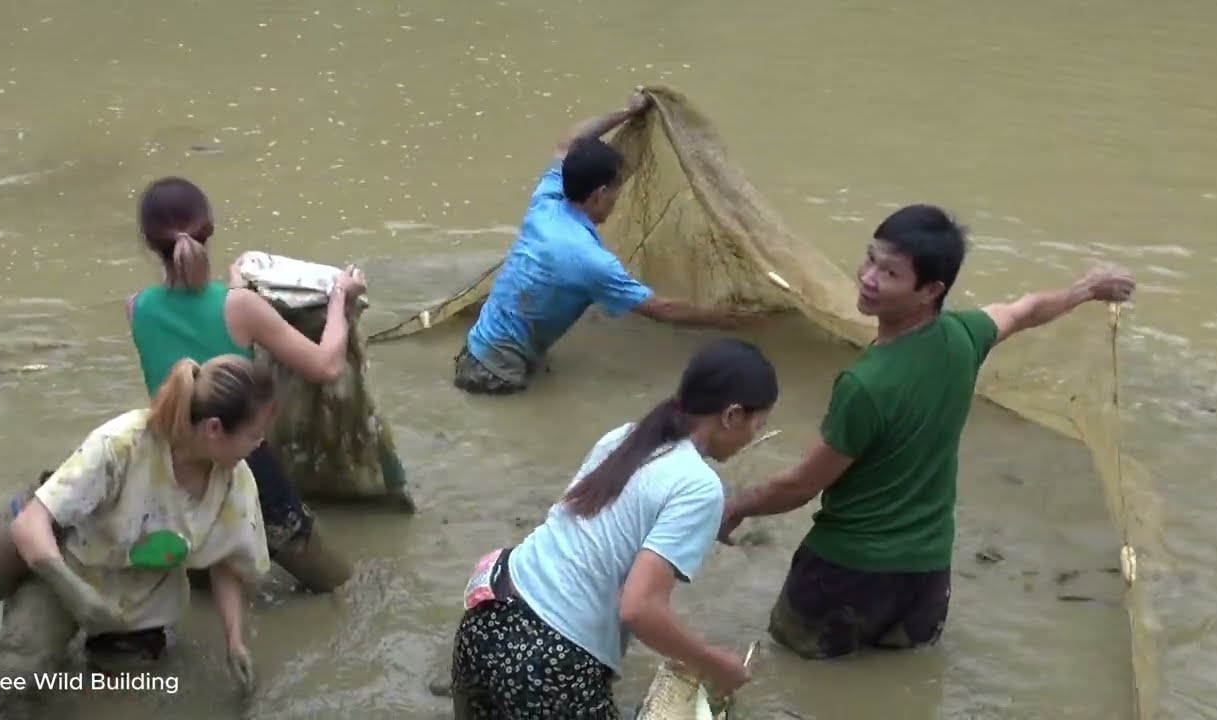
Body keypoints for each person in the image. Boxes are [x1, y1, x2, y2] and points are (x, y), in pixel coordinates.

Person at [718, 204, 1137, 660]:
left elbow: (802, 485)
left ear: (930, 291)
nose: (868, 277)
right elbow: (1026, 310)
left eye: (890, 273)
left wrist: (736, 506)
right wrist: (1086, 290)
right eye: (870, 259)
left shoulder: (865, 384)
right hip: (926, 576)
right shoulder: (965, 336)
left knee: (795, 671)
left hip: (843, 573)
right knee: (901, 676)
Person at [450, 338, 778, 717]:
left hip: (485, 621)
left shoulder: (625, 437)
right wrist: (714, 663)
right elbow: (639, 608)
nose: (753, 437)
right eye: (758, 424)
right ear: (732, 415)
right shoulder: (701, 487)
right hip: (547, 659)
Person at [0, 354, 273, 706]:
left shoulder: (235, 482)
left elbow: (227, 562)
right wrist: (76, 593)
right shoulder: (121, 445)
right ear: (214, 429)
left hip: (139, 599)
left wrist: (234, 639)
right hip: (65, 574)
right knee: (15, 681)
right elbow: (29, 525)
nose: (260, 444)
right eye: (254, 435)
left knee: (126, 694)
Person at [126, 176, 366, 593]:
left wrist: (236, 288)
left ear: (149, 241)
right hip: (242, 459)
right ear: (209, 228)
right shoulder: (239, 307)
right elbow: (327, 366)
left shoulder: (136, 308)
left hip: (171, 464)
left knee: (200, 580)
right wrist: (339, 299)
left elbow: (199, 329)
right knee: (332, 583)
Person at [454, 89, 755, 395]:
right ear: (599, 195)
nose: (616, 199)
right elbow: (661, 309)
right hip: (497, 372)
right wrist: (728, 319)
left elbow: (569, 141)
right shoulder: (590, 260)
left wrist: (627, 113)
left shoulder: (547, 199)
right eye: (615, 191)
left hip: (480, 347)